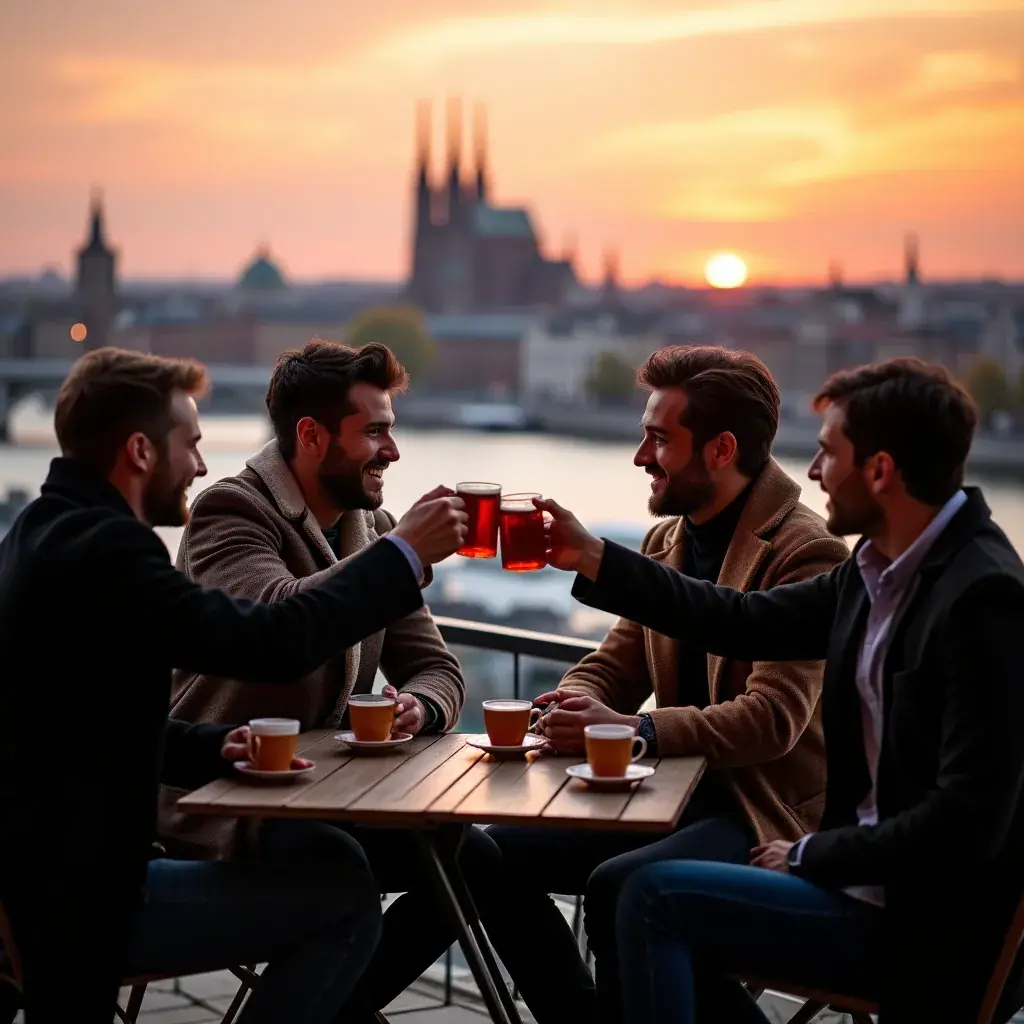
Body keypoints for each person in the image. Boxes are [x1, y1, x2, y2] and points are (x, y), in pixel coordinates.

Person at [542, 357, 1024, 1023]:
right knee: (637, 895)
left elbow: (967, 821)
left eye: (829, 453)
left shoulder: (984, 596)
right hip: (855, 885)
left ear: (880, 471)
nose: (815, 472)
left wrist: (808, 853)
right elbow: (740, 620)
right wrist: (594, 558)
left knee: (649, 898)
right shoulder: (875, 571)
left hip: (919, 926)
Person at [0, 347, 467, 1023]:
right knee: (342, 900)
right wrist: (402, 555)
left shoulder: (44, 533)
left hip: (48, 877)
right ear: (139, 451)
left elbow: (83, 723)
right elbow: (269, 642)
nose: (197, 463)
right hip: (83, 894)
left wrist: (215, 747)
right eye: (188, 444)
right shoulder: (109, 549)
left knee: (446, 858)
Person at [476, 346, 849, 1023]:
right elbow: (617, 664)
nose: (640, 456)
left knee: (626, 890)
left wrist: (639, 730)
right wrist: (571, 700)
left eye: (658, 439)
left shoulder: (806, 550)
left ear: (720, 449)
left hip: (758, 809)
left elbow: (773, 720)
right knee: (487, 853)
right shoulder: (664, 541)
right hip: (668, 796)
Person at [162, 339, 486, 1021]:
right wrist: (401, 556)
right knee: (338, 871)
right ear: (311, 437)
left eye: (391, 431)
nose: (392, 451)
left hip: (325, 794)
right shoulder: (232, 513)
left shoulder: (371, 527)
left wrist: (420, 710)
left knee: (477, 858)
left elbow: (437, 667)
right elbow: (277, 628)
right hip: (216, 796)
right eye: (375, 432)